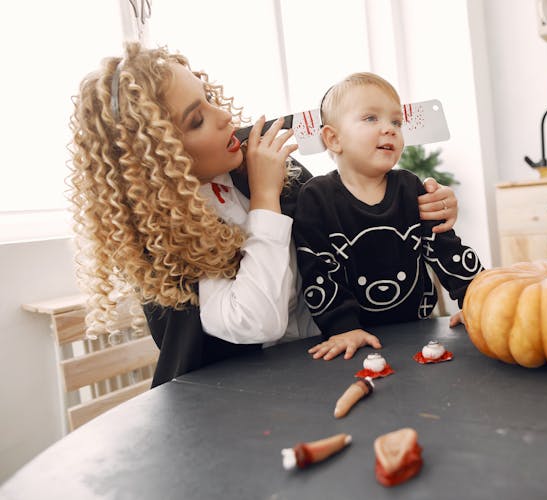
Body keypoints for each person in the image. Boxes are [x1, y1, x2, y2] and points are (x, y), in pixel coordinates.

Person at [68, 44, 461, 387]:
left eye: (209, 98)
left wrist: (425, 205)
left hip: (339, 354)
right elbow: (258, 322)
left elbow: (352, 218)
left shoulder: (270, 171)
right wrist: (265, 197)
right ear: (157, 159)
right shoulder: (174, 238)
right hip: (256, 392)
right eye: (196, 119)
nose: (222, 115)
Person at [293, 72, 484, 362]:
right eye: (371, 118)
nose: (390, 129)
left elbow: (445, 248)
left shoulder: (410, 187)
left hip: (419, 331)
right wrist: (343, 328)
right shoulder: (317, 198)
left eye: (396, 122)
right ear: (333, 138)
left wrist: (476, 299)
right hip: (354, 340)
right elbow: (317, 269)